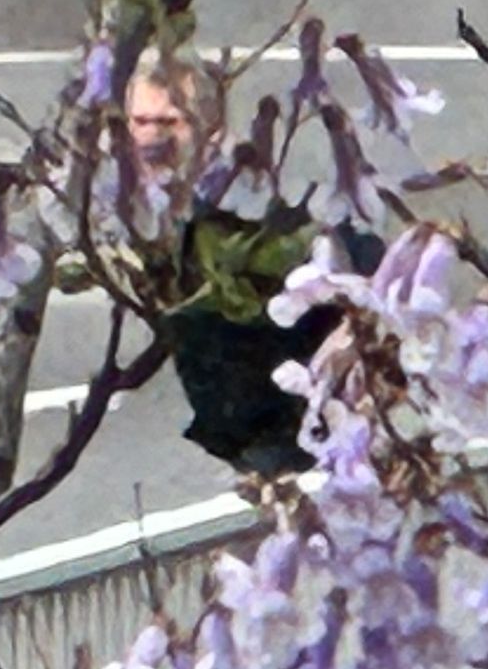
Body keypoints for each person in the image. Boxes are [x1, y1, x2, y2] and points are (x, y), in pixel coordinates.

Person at [124, 60, 373, 478]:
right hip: (224, 428)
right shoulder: (143, 204)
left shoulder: (252, 194)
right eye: (140, 121)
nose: (151, 138)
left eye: (170, 122)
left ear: (212, 129)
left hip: (283, 426)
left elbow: (356, 258)